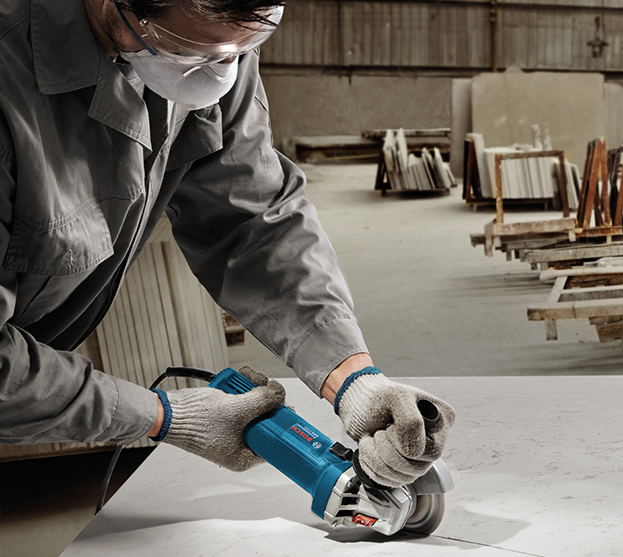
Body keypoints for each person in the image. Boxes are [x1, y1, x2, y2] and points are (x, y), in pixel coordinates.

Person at [0, 0, 454, 489]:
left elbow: (249, 218)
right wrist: (163, 416)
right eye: (189, 54)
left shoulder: (221, 37)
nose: (215, 76)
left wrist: (353, 378)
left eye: (241, 50)